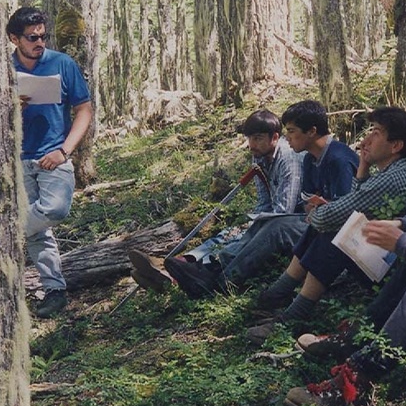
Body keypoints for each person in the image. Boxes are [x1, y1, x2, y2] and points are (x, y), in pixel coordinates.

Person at [284, 130, 406, 406]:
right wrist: (404, 225)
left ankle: (355, 380)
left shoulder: (398, 174)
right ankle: (357, 338)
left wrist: (403, 242)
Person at [248, 107, 406, 343]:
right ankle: (280, 293)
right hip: (405, 262)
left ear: (396, 146)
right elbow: (353, 204)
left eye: (377, 133)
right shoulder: (396, 172)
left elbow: (332, 215)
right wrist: (362, 169)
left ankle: (291, 315)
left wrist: (319, 213)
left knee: (336, 231)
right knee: (339, 224)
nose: (366, 140)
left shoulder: (394, 179)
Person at [163, 100, 359, 298]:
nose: (287, 138)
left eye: (291, 131)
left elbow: (344, 213)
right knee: (263, 222)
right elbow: (309, 201)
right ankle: (209, 270)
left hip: (340, 231)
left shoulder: (338, 159)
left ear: (311, 131)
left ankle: (221, 284)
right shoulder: (310, 158)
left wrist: (316, 212)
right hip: (315, 221)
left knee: (277, 227)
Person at [130, 109, 305, 293]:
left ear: (275, 137)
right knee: (233, 231)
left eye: (258, 138)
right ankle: (181, 264)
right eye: (249, 138)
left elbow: (283, 210)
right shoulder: (259, 156)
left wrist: (255, 222)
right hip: (273, 215)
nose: (252, 144)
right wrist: (248, 221)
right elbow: (263, 202)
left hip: (290, 221)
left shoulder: (288, 159)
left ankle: (188, 274)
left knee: (248, 233)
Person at [7, 6, 93, 318]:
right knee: (39, 234)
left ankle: (9, 233)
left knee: (55, 209)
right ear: (15, 38)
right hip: (17, 160)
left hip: (54, 157)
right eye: (32, 38)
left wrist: (65, 151)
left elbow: (84, 109)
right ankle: (55, 291)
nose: (40, 42)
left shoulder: (62, 64)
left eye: (43, 36)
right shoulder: (4, 68)